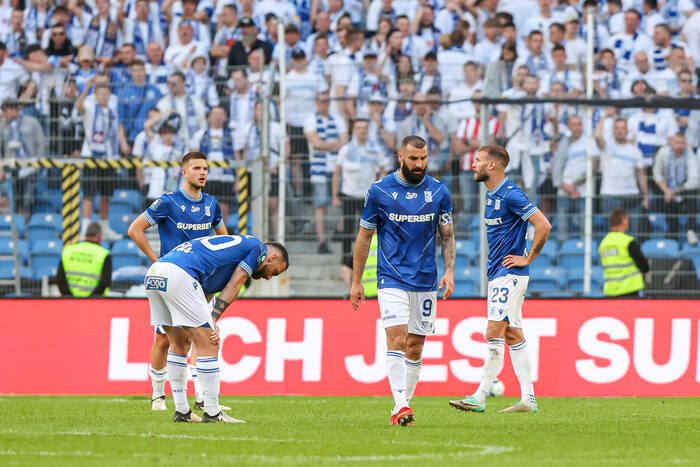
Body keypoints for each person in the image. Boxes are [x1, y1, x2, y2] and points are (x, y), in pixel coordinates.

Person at [350, 135, 455, 426]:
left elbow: (447, 235)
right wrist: (356, 281)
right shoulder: (380, 191)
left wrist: (449, 271)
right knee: (396, 340)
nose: (419, 164)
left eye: (423, 159)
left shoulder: (438, 192)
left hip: (425, 280)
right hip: (391, 277)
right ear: (400, 156)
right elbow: (363, 238)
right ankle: (400, 404)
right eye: (413, 159)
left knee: (416, 347)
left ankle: (401, 408)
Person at [449, 144, 551, 414]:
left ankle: (480, 396)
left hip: (510, 275)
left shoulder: (510, 194)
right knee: (513, 334)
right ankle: (528, 399)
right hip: (499, 274)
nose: (473, 164)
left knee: (493, 331)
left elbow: (543, 225)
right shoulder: (492, 194)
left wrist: (528, 257)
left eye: (478, 160)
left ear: (491, 166)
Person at [145, 234, 288, 422]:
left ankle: (182, 411)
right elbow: (236, 282)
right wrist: (212, 320)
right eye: (274, 272)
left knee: (179, 342)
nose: (269, 277)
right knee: (209, 345)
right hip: (179, 274)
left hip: (155, 273)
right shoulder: (258, 249)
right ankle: (212, 413)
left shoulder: (226, 261)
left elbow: (203, 295)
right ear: (273, 257)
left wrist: (209, 319)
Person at [127, 151, 228, 412]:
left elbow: (223, 237)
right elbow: (134, 229)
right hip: (172, 281)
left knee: (201, 337)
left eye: (205, 168)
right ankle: (158, 395)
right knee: (167, 341)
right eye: (196, 168)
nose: (202, 172)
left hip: (201, 282)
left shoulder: (211, 203)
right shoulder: (168, 202)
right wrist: (156, 260)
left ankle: (203, 397)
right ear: (184, 172)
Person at [332, 119, 386, 286]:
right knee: (348, 231)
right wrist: (335, 195)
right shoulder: (345, 150)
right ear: (353, 130)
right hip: (349, 194)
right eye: (358, 128)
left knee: (367, 230)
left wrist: (380, 191)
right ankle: (345, 265)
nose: (362, 131)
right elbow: (337, 173)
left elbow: (383, 168)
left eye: (364, 128)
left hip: (367, 197)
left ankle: (362, 262)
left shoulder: (375, 149)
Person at [599, 208, 649, 297]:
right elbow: (644, 266)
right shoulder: (627, 241)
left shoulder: (603, 243)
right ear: (623, 220)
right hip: (629, 289)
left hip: (610, 291)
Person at [56, 222, 112, 297]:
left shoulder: (67, 251)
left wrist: (70, 298)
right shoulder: (104, 254)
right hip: (95, 303)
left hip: (70, 302)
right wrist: (90, 299)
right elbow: (105, 282)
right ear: (99, 237)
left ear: (85, 235)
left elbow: (60, 280)